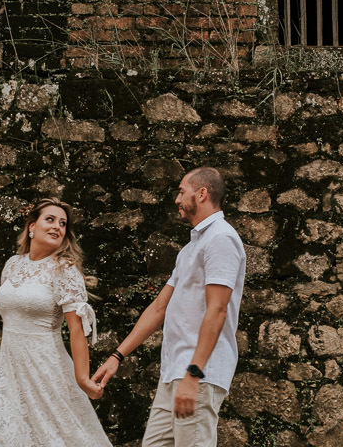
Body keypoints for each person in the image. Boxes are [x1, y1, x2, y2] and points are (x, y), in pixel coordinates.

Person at [92, 167, 246, 447]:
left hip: (197, 373)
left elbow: (218, 310)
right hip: (175, 371)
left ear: (202, 193)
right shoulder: (190, 248)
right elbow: (159, 307)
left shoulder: (221, 239)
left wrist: (194, 374)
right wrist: (117, 356)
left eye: (181, 190)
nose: (177, 199)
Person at [0, 197, 112, 447]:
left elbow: (76, 329)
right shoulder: (12, 265)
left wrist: (82, 379)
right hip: (11, 371)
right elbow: (10, 323)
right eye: (50, 219)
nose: (57, 227)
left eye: (63, 224)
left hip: (45, 368)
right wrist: (1, 372)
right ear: (31, 227)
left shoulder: (65, 269)